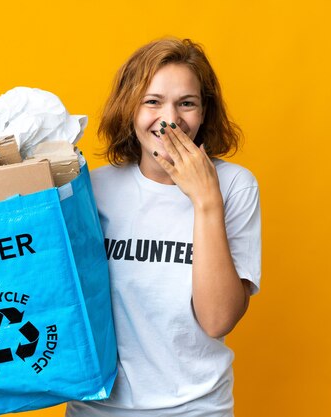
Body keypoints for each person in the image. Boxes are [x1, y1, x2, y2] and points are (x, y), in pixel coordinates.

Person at [66, 37, 261, 417]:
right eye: (152, 102)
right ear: (129, 110)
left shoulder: (236, 186)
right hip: (96, 409)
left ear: (204, 113)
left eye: (186, 103)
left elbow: (217, 319)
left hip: (197, 408)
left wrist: (206, 201)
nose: (169, 119)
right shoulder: (94, 189)